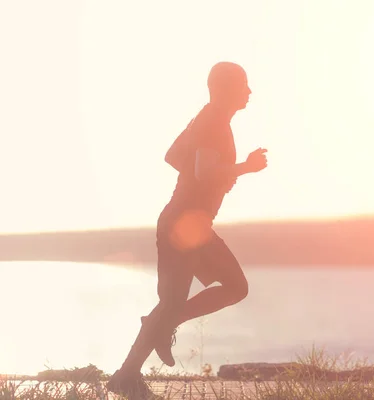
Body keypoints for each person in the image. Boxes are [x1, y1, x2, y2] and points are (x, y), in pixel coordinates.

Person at [107, 62, 268, 399]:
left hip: (186, 223)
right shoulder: (213, 122)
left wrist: (216, 176)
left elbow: (174, 157)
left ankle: (128, 372)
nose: (250, 92)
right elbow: (202, 171)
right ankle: (135, 362)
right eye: (244, 85)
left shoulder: (207, 117)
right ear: (226, 89)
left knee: (173, 302)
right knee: (231, 288)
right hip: (185, 225)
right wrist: (242, 169)